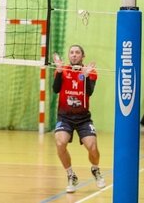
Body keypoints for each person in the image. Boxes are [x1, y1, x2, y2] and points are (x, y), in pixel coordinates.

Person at [52, 45, 105, 193]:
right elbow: (55, 89)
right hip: (65, 116)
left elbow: (89, 92)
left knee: (92, 147)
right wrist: (59, 72)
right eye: (71, 52)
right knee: (60, 143)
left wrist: (86, 76)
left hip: (83, 118)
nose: (74, 55)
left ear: (83, 56)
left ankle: (95, 169)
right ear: (69, 55)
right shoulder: (63, 70)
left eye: (77, 53)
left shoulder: (90, 72)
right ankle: (71, 175)